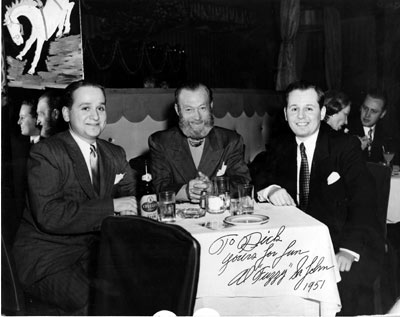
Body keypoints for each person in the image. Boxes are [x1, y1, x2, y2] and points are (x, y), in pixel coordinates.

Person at [253, 81, 384, 316]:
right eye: (294, 109)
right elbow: (259, 173)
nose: (301, 116)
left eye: (309, 109)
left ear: (322, 113)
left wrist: (348, 250)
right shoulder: (280, 144)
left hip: (346, 240)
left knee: (343, 286)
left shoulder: (344, 146)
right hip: (299, 246)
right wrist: (272, 189)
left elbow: (364, 201)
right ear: (285, 113)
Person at [12, 80, 137, 315]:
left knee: (142, 288)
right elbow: (50, 215)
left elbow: (133, 196)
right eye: (85, 108)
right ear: (67, 114)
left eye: (100, 108)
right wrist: (112, 206)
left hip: (94, 254)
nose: (95, 115)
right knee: (97, 304)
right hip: (48, 259)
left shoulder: (115, 153)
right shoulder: (47, 152)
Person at [149, 82, 251, 203]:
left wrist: (214, 188)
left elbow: (242, 182)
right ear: (177, 110)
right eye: (189, 109)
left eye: (202, 108)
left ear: (211, 106)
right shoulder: (160, 142)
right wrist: (186, 191)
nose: (197, 117)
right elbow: (159, 186)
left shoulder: (231, 141)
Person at [348, 90, 396, 162]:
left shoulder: (389, 134)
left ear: (382, 114)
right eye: (365, 108)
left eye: (373, 111)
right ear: (361, 107)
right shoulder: (347, 129)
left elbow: (395, 166)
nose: (367, 115)